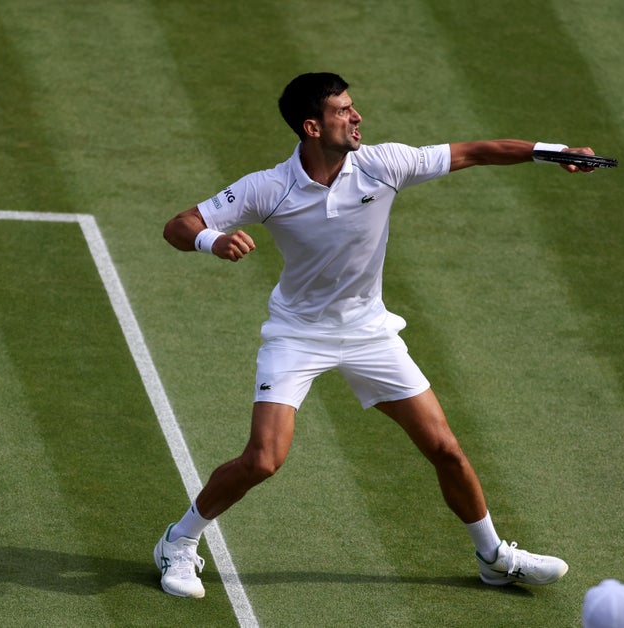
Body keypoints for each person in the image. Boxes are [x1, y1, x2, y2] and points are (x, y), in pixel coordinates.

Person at [156, 72, 598, 599]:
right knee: (264, 459)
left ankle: (493, 557)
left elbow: (476, 151)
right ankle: (177, 542)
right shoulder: (267, 187)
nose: (357, 116)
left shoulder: (384, 164)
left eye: (353, 107)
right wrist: (211, 241)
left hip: (370, 333)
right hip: (298, 336)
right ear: (312, 127)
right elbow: (180, 224)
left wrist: (553, 152)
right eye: (343, 110)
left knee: (445, 448)